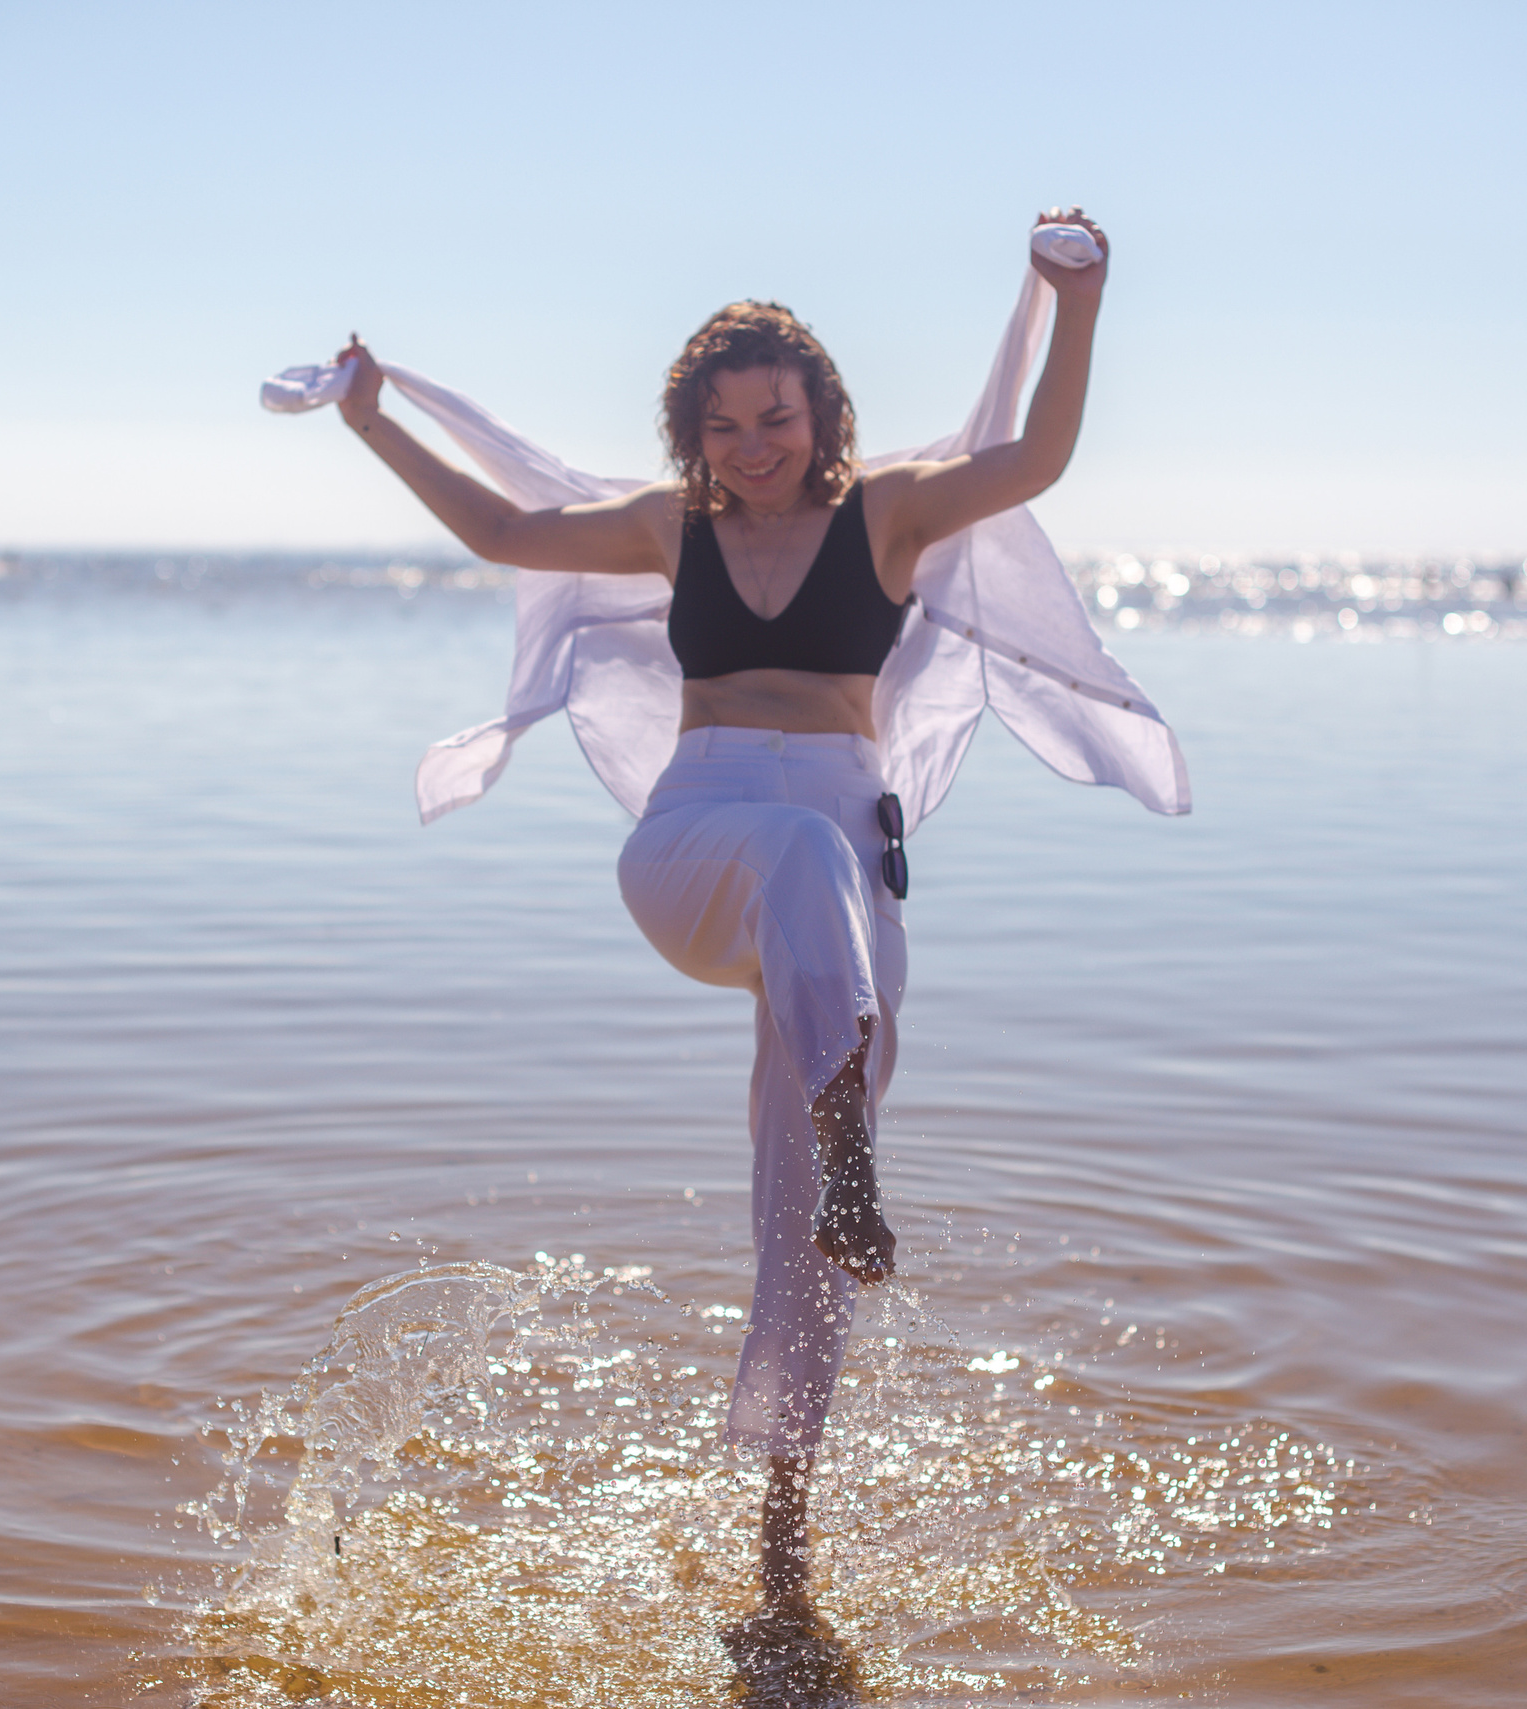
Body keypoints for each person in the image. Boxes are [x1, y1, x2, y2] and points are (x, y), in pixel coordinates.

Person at [329, 208, 1109, 1619]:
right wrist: (373, 419)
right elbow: (503, 529)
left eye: (778, 418)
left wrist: (1083, 297)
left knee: (801, 1223)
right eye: (726, 425)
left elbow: (1038, 458)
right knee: (799, 856)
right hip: (696, 845)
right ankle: (846, 1131)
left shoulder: (890, 512)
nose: (756, 447)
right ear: (692, 433)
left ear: (823, 414)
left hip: (844, 874)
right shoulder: (666, 527)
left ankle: (782, 1542)